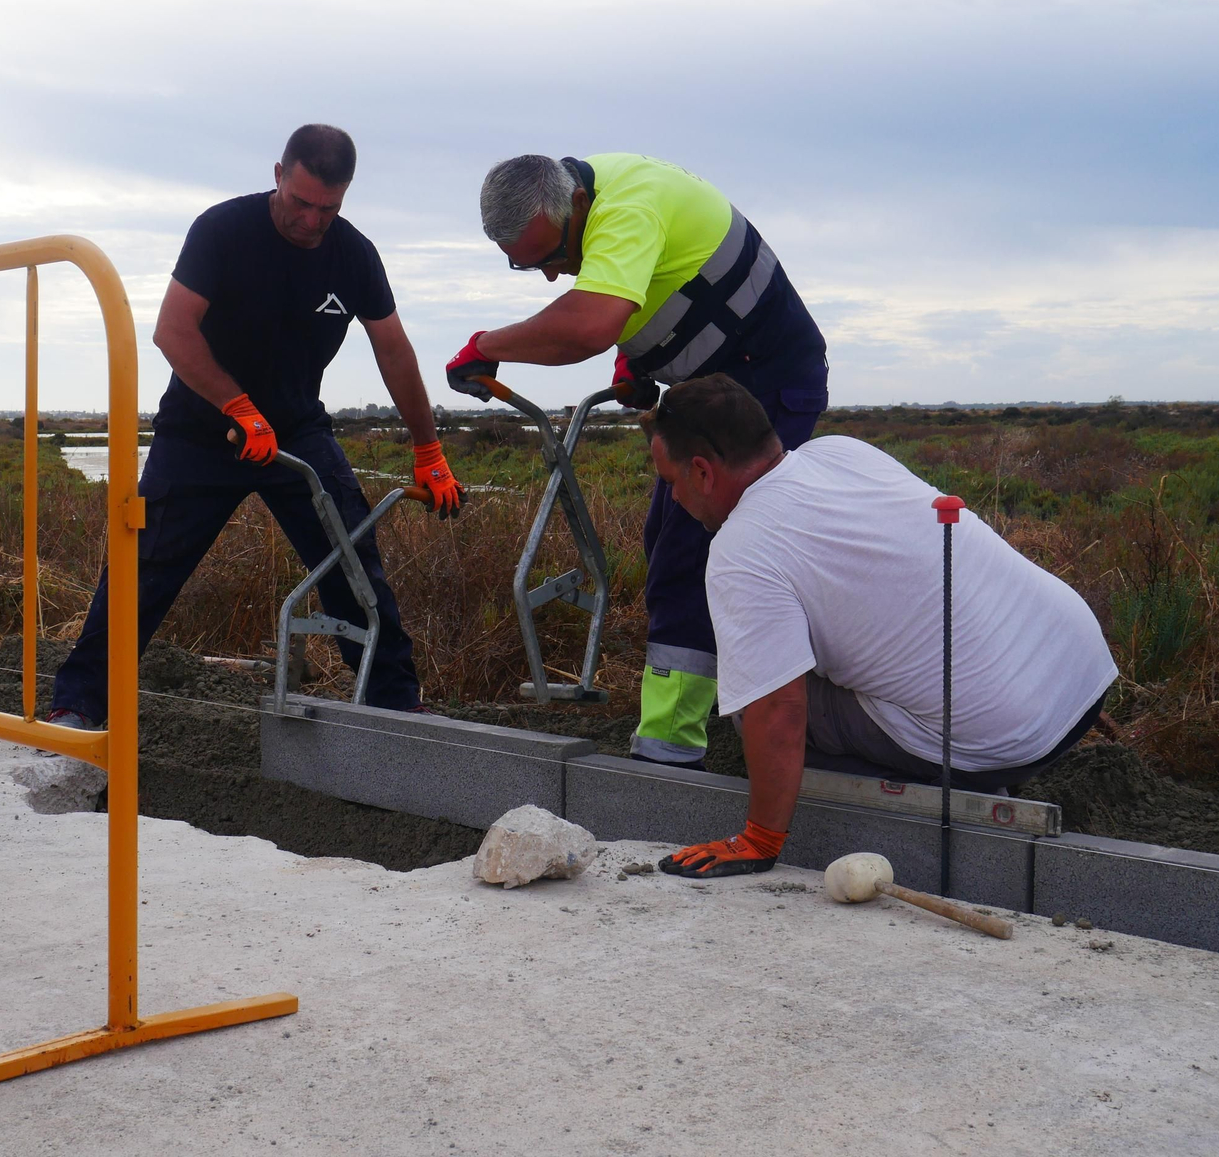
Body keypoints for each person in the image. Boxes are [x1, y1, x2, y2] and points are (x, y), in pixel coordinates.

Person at [48, 124, 463, 726]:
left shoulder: (353, 254)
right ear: (278, 175)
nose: (312, 220)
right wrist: (237, 406)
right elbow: (173, 330)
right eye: (301, 202)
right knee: (143, 568)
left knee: (351, 559)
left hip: (295, 435)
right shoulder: (223, 230)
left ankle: (394, 702)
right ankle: (80, 705)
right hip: (202, 431)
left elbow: (394, 350)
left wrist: (428, 448)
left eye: (329, 208)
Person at [638, 375, 1118, 877]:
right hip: (1081, 669)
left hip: (1004, 742)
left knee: (748, 703)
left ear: (702, 471)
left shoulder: (742, 549)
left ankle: (946, 794)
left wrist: (758, 840)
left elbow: (777, 712)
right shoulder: (841, 453)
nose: (672, 500)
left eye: (670, 482)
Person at [446, 152, 828, 771]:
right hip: (718, 383)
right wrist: (637, 361)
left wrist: (487, 346)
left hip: (767, 386)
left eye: (549, 257)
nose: (549, 277)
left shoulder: (625, 207)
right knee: (669, 533)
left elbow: (589, 325)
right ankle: (758, 708)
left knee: (698, 546)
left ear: (572, 206)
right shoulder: (600, 196)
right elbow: (658, 287)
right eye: (527, 264)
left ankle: (673, 747)